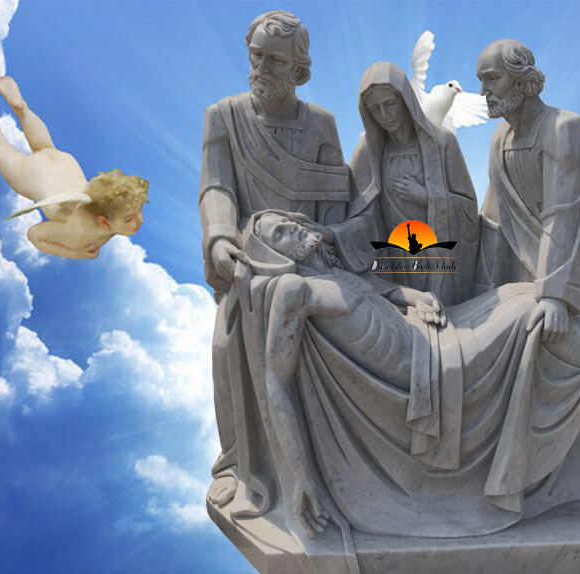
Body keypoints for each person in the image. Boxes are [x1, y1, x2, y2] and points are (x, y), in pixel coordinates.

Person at [237, 210, 580, 542]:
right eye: (278, 234)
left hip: (428, 333)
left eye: (286, 221)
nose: (291, 227)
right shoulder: (295, 290)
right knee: (530, 313)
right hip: (426, 370)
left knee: (519, 293)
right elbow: (276, 380)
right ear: (273, 256)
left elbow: (380, 292)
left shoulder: (332, 272)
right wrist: (300, 477)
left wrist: (417, 297)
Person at [200, 11, 371, 512]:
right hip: (250, 260)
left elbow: (335, 199)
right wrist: (219, 238)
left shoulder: (321, 123)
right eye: (256, 55)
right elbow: (217, 187)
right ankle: (239, 464)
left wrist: (327, 247)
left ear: (299, 69)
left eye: (275, 60)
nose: (261, 67)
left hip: (310, 260)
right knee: (226, 344)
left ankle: (336, 468)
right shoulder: (223, 116)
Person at [474, 40, 580, 340]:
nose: (484, 91)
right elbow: (494, 219)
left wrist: (555, 295)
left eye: (493, 79)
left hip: (576, 266)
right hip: (522, 262)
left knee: (567, 347)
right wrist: (481, 293)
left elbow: (563, 214)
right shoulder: (501, 137)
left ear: (521, 79)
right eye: (481, 81)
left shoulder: (563, 128)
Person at [0, 58, 147, 259]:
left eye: (138, 212)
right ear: (104, 223)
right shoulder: (79, 235)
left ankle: (21, 107)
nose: (140, 221)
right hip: (34, 176)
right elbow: (34, 235)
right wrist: (75, 253)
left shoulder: (109, 215)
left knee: (45, 148)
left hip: (63, 163)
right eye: (130, 219)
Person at [349, 62, 479, 306]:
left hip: (437, 260)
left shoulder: (442, 142)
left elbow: (468, 208)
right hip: (393, 260)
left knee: (438, 314)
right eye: (375, 108)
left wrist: (426, 196)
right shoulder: (368, 153)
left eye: (390, 104)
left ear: (405, 99)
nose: (385, 115)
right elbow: (358, 211)